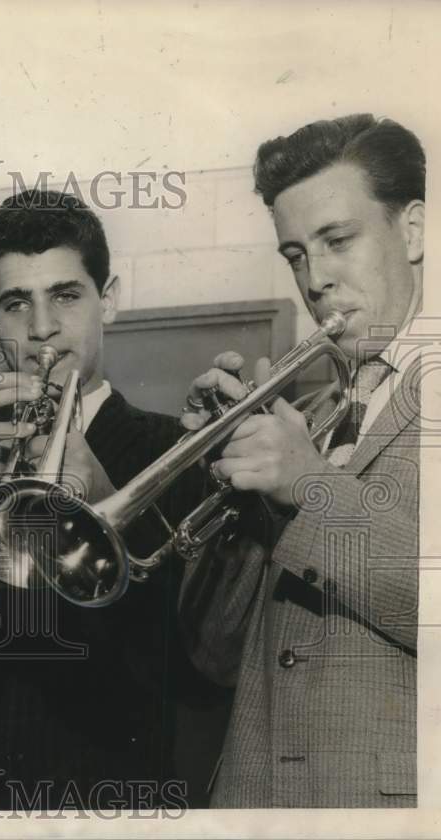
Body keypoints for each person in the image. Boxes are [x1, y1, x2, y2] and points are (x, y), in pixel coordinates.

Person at [0, 189, 224, 811]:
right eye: (16, 303)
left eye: (65, 295)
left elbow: (197, 679)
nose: (42, 329)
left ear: (107, 299)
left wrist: (112, 508)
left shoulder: (178, 452)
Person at [178, 114, 424, 807]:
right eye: (294, 254)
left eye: (337, 240)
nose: (315, 280)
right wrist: (232, 483)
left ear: (412, 230)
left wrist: (310, 486)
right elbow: (213, 656)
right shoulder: (308, 415)